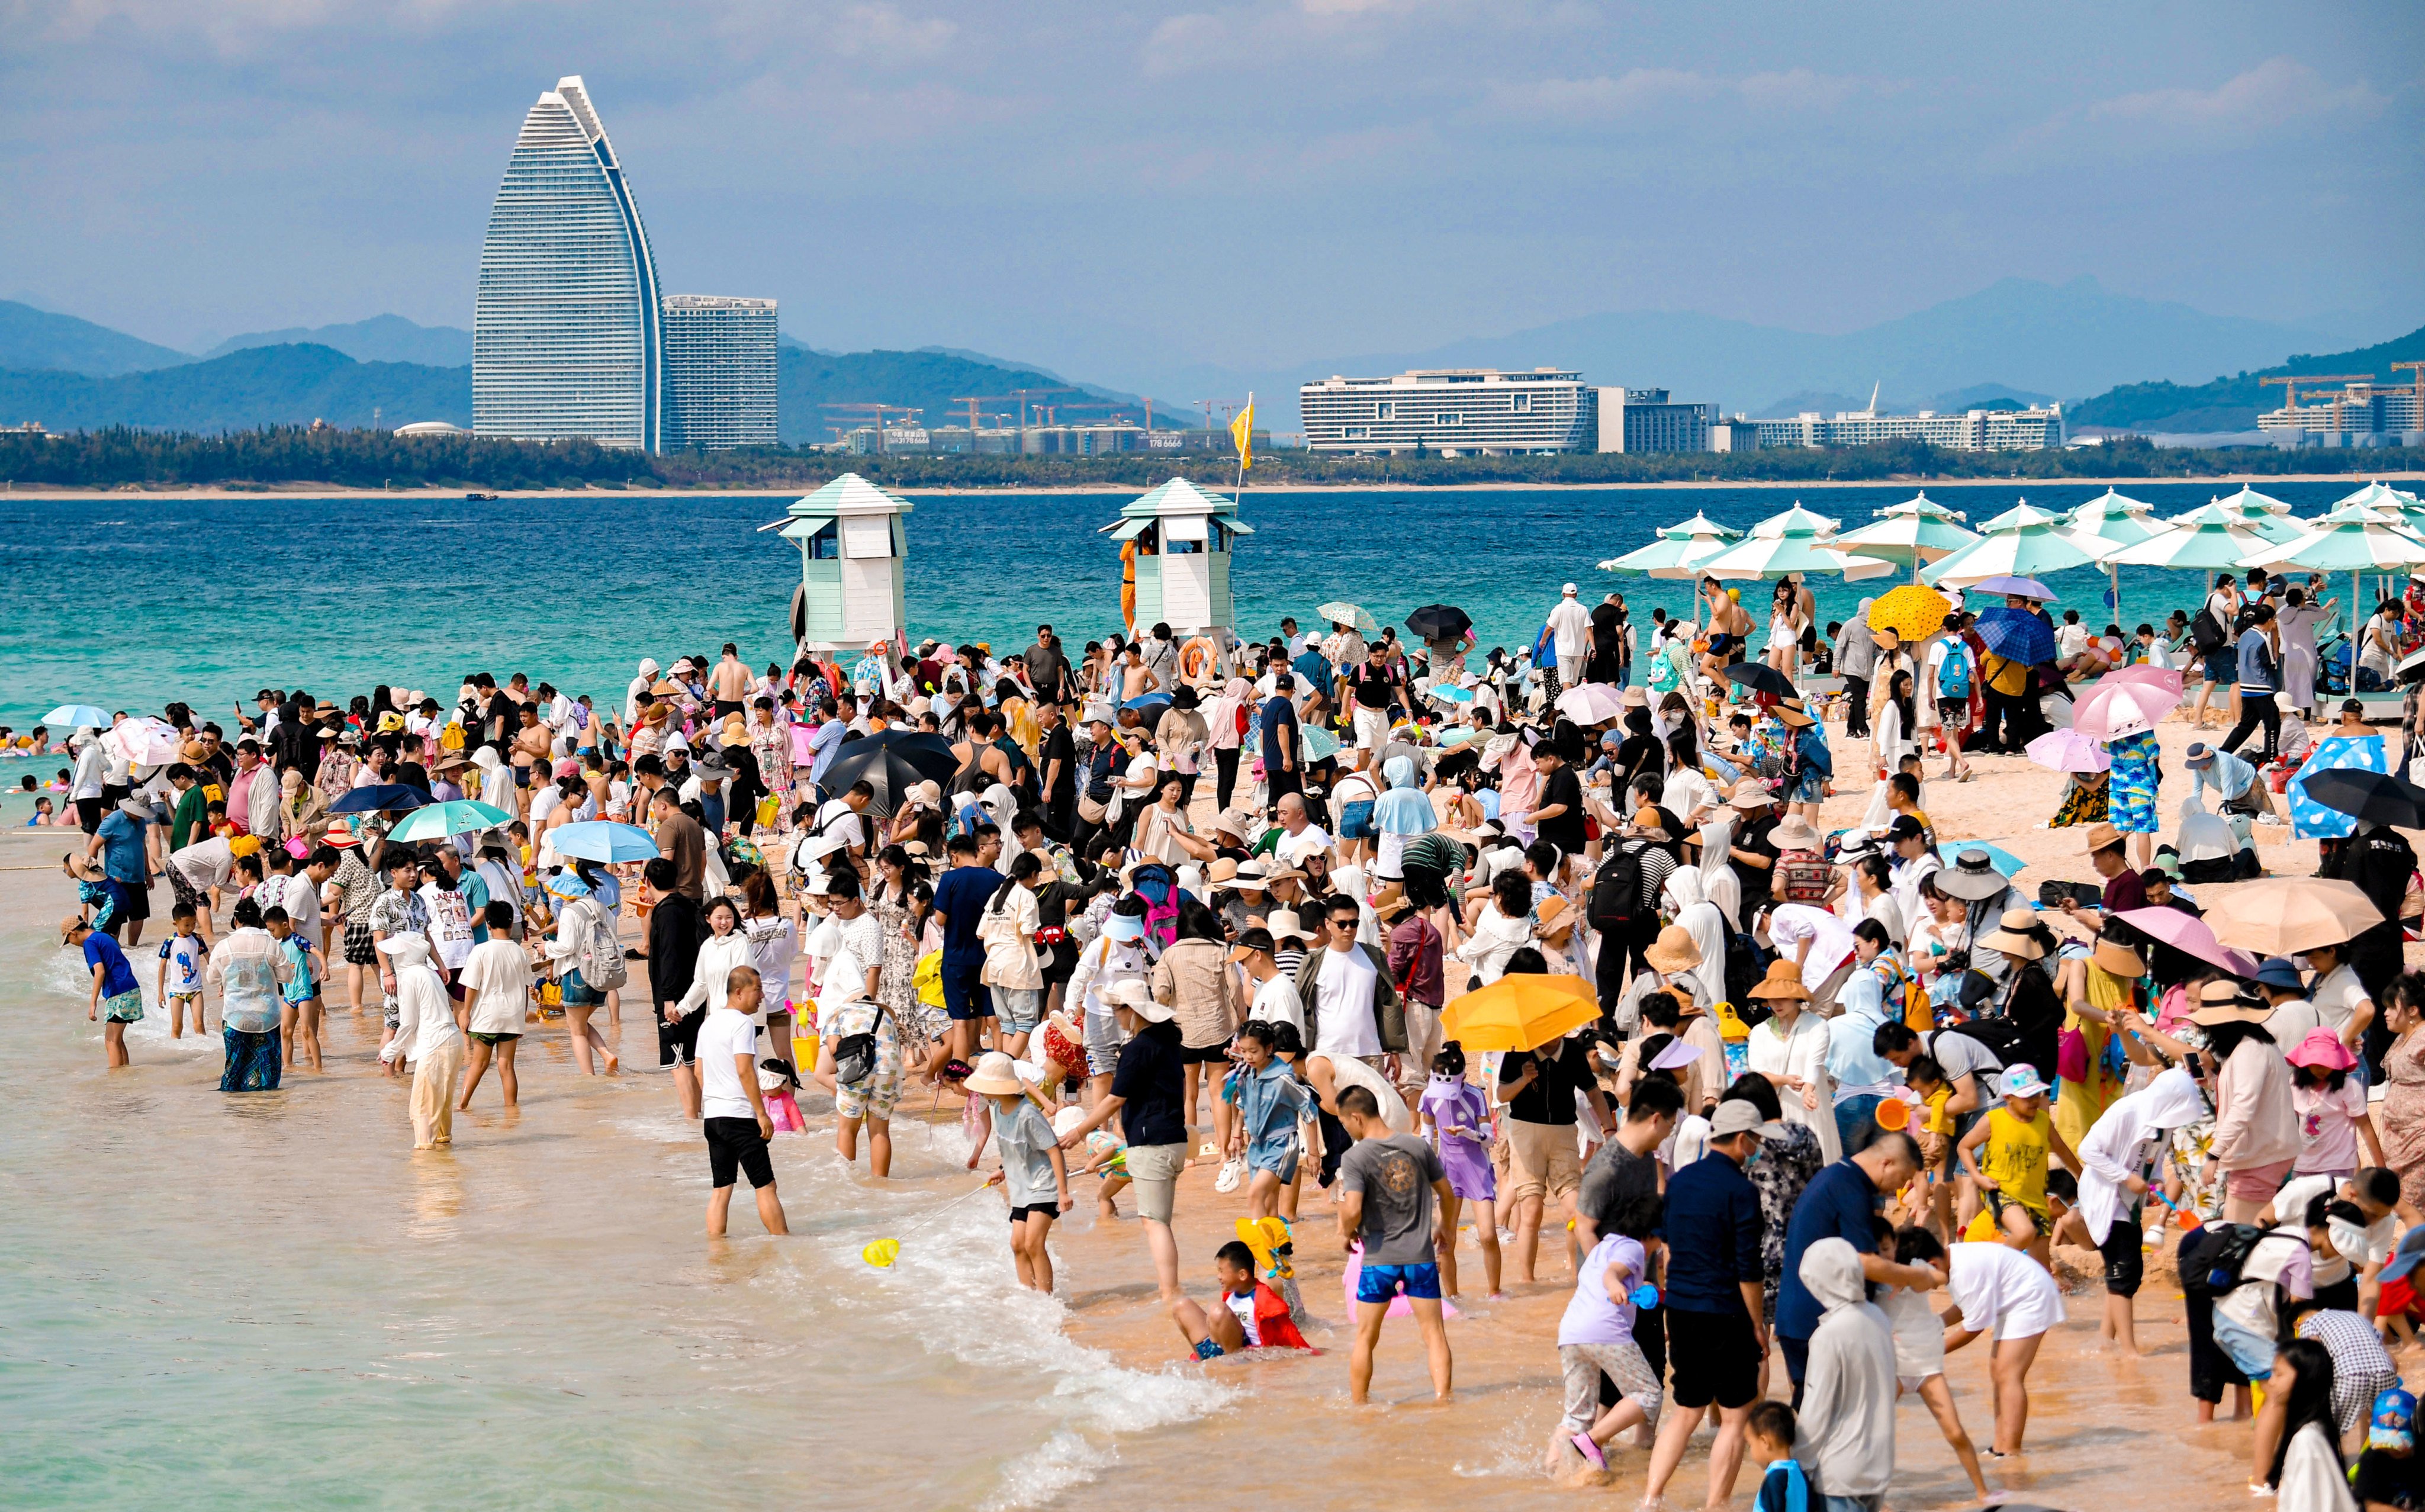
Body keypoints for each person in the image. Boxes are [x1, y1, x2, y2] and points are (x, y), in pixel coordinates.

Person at [1641, 1098, 1776, 1512]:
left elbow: (1667, 1249)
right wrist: (1757, 1326)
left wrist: (1671, 1302)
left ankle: (1649, 1500)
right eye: (1754, 1140)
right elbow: (1748, 1269)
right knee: (1736, 1418)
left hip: (1681, 1308)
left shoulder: (1679, 1182)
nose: (1756, 1148)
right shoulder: (1742, 1191)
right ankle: (1715, 1506)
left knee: (1686, 1412)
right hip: (1727, 1313)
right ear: (1740, 1139)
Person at [1771, 1131, 1934, 1404]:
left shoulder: (1836, 1176)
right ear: (1887, 1163)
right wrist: (1918, 1275)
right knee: (1833, 1422)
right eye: (1903, 1178)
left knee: (1815, 1418)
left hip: (1800, 1319)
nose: (1898, 1187)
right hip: (1817, 1322)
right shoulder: (1850, 1188)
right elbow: (1866, 1262)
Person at [1057, 979, 1188, 1303]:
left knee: (1155, 1223)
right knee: (1161, 1220)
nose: (1115, 1015)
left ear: (1133, 1011)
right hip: (1176, 1140)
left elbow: (1115, 1100)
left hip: (1151, 1144)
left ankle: (1170, 1293)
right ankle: (1170, 1291)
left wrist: (1078, 1131)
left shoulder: (1137, 1048)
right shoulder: (1169, 1042)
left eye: (1118, 1008)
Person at [1334, 1082, 1455, 1405]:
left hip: (1379, 1260)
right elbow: (1447, 1193)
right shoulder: (1417, 1146)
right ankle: (1444, 1402)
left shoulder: (1355, 1157)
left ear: (1357, 1117)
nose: (1344, 1128)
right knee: (1434, 1335)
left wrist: (1346, 1232)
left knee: (1365, 1338)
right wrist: (1447, 1229)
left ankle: (1360, 1406)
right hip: (1420, 1257)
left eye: (1344, 1122)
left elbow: (1354, 1208)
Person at [1548, 1185, 1664, 1475]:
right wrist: (1614, 1284)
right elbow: (1612, 1274)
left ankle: (1551, 1474)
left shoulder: (1602, 1246)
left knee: (1576, 1416)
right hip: (1606, 1332)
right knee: (1649, 1394)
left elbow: (1609, 1275)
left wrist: (1637, 1288)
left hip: (1571, 1333)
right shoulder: (1634, 1248)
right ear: (1654, 1230)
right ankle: (1591, 1442)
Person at [1881, 1226, 1994, 1505]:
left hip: (1926, 1366)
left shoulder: (1916, 1267)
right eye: (1881, 1249)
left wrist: (1905, 1278)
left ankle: (1983, 1492)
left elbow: (1939, 1277)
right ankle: (1876, 1500)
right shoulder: (1872, 1277)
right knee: (1877, 1435)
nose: (1887, 1253)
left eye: (1889, 1247)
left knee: (1955, 1432)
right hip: (1893, 1364)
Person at [1792, 1236, 1898, 1512]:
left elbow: (1817, 1409)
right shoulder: (1878, 1318)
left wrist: (1797, 1462)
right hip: (1879, 1464)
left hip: (1840, 1471)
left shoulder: (1828, 1335)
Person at [1942, 1234, 2066, 1455]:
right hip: (2013, 1299)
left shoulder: (1961, 1271)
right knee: (1997, 1372)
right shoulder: (1951, 1261)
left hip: (2030, 1296)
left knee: (2009, 1374)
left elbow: (1974, 1327)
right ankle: (1999, 1446)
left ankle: (2010, 1451)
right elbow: (1965, 1307)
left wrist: (1934, 1350)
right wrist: (1935, 1324)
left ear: (1931, 1265)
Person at [700, 964, 789, 1237]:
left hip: (713, 1117)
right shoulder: (742, 1024)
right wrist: (761, 1113)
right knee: (765, 1185)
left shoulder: (709, 1023)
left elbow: (697, 1071)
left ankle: (716, 1250)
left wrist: (715, 1098)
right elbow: (744, 1070)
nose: (762, 996)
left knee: (722, 1189)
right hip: (739, 1116)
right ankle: (783, 1242)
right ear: (739, 992)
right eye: (757, 990)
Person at [378, 932, 464, 1149]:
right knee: (442, 1107)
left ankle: (426, 1167)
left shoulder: (409, 977)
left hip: (435, 1045)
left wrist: (390, 1051)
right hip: (453, 1041)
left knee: (422, 1109)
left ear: (404, 955)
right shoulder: (430, 973)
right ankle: (446, 1161)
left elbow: (408, 1023)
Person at [1170, 1239, 1315, 1361]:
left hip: (1244, 1354)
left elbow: (1288, 1333)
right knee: (1182, 1306)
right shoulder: (1230, 1294)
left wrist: (1312, 1353)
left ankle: (1234, 1367)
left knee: (1217, 1311)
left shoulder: (1264, 1300)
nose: (1218, 1276)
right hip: (1217, 1347)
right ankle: (1202, 1360)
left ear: (1242, 1275)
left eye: (1222, 1271)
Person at [456, 902, 533, 1110]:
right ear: (511, 924)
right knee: (507, 1066)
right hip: (513, 1015)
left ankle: (462, 1105)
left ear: (488, 925)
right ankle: (511, 1108)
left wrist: (465, 1012)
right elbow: (526, 987)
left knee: (479, 1064)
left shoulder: (481, 951)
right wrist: (522, 1015)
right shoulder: (520, 953)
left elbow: (472, 986)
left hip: (487, 1016)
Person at [931, 832, 999, 1064]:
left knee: (960, 1021)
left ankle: (960, 1072)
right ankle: (1000, 1069)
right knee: (993, 1017)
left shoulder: (950, 879)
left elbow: (940, 919)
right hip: (988, 959)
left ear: (954, 857)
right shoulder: (996, 879)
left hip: (956, 957)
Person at [2266, 1339, 2359, 1510]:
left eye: (2279, 1374)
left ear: (2305, 1381)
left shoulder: (2306, 1441)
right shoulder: (2316, 1431)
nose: (2271, 1382)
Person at [64, 913, 143, 1067]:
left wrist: (93, 1003)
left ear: (73, 933)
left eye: (69, 941)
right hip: (130, 988)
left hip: (119, 993)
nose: (72, 944)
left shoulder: (90, 943)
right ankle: (125, 1074)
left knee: (110, 1041)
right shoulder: (103, 936)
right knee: (117, 1040)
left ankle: (115, 1081)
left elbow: (100, 971)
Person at [1745, 1401, 1813, 1512]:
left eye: (1751, 1445)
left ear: (1764, 1442)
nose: (1751, 1451)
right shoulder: (1800, 1473)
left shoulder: (1775, 1479)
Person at [156, 904, 209, 1040]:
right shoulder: (170, 942)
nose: (191, 928)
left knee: (199, 1025)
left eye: (194, 924)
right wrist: (161, 992)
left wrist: (220, 980)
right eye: (187, 925)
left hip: (195, 990)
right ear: (176, 923)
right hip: (176, 991)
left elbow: (210, 960)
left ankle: (205, 1052)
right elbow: (162, 967)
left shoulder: (198, 939)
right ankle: (177, 1052)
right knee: (176, 1027)